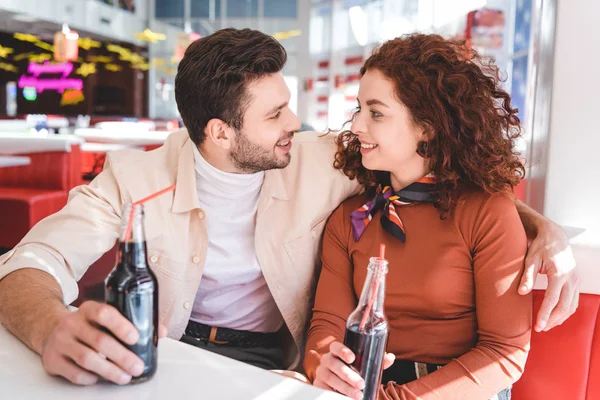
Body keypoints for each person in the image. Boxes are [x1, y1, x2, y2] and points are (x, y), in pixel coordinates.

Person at [0, 28, 578, 387]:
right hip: (167, 348)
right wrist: (49, 323)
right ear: (220, 132)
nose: (297, 125)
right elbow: (34, 260)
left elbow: (442, 179)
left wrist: (540, 225)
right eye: (274, 115)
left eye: (289, 106)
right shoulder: (135, 177)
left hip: (270, 358)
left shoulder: (318, 159)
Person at [304, 34, 538, 400]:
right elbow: (327, 325)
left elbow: (504, 353)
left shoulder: (487, 212)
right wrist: (324, 366)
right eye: (359, 110)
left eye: (376, 113)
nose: (357, 126)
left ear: (426, 126)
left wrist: (397, 398)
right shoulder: (352, 217)